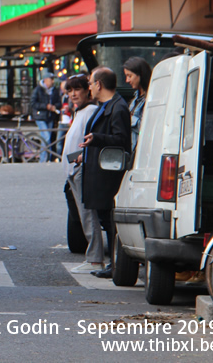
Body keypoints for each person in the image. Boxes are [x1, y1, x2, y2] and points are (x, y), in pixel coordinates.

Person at [80, 66, 132, 278]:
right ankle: (114, 263)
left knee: (110, 221)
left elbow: (122, 140)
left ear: (99, 84)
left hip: (108, 173)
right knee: (105, 219)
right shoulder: (106, 106)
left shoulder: (117, 107)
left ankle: (115, 264)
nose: (89, 87)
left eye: (91, 83)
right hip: (98, 168)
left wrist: (97, 138)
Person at [61, 74, 104, 273]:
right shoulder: (82, 111)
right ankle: (93, 257)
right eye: (69, 91)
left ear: (88, 89)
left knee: (88, 215)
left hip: (81, 169)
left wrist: (79, 159)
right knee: (83, 215)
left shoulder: (91, 111)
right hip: (75, 170)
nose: (73, 94)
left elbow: (92, 142)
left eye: (76, 89)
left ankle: (95, 258)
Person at [122, 56, 152, 152]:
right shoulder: (135, 98)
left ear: (140, 74)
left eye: (129, 76)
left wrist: (128, 118)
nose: (127, 80)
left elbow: (147, 128)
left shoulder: (151, 98)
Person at [31, 71, 61, 162]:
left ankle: (47, 158)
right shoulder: (38, 90)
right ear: (45, 80)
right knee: (46, 137)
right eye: (51, 79)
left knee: (48, 138)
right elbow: (33, 103)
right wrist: (46, 106)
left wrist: (55, 107)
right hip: (40, 117)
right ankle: (44, 159)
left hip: (50, 117)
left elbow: (59, 102)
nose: (52, 81)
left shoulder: (54, 91)